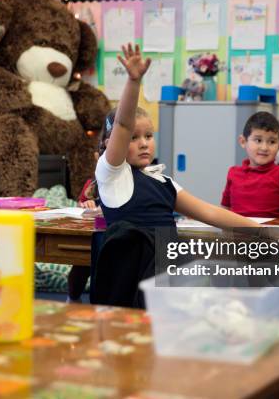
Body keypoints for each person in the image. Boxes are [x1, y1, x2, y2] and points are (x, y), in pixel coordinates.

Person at [92, 44, 263, 307]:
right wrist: (134, 80)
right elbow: (123, 124)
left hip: (166, 277)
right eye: (133, 138)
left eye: (148, 136)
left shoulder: (163, 182)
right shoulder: (113, 175)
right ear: (111, 144)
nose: (144, 143)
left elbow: (210, 213)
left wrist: (261, 230)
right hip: (131, 286)